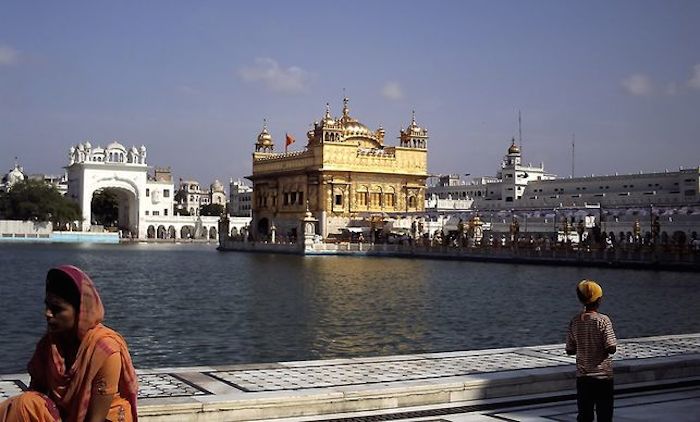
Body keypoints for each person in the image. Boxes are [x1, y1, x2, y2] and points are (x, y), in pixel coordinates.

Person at [0, 265, 138, 422]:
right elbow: (36, 394)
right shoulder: (50, 345)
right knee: (24, 405)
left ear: (81, 310)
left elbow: (96, 419)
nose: (47, 313)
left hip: (105, 419)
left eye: (57, 309)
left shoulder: (105, 350)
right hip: (66, 417)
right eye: (47, 306)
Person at [566, 279, 617, 422]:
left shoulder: (575, 321)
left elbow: (570, 350)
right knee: (604, 414)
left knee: (584, 414)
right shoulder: (603, 320)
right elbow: (611, 348)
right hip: (602, 378)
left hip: (583, 378)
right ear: (599, 300)